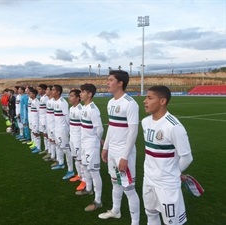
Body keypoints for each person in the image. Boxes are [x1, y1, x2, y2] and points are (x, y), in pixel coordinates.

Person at [141, 85, 193, 225]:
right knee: (150, 213)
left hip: (167, 185)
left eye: (149, 98)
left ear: (162, 101)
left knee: (172, 222)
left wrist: (174, 173)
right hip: (148, 180)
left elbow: (187, 157)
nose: (145, 101)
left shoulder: (174, 126)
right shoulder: (145, 122)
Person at [98, 70, 140, 225]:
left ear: (120, 83)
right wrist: (105, 148)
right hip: (112, 151)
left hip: (124, 152)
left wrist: (124, 156)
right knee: (115, 181)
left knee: (129, 188)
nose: (107, 83)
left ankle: (135, 222)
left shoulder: (129, 103)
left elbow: (133, 131)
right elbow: (111, 127)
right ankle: (116, 211)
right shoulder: (110, 103)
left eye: (110, 80)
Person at [76, 83, 103, 212]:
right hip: (84, 143)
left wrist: (97, 141)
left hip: (91, 145)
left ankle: (98, 201)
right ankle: (89, 189)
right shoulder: (84, 108)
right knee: (85, 167)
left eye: (82, 92)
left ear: (90, 94)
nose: (80, 94)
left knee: (94, 171)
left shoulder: (93, 109)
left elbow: (99, 129)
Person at [51, 85, 74, 180]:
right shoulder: (55, 102)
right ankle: (61, 163)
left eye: (53, 90)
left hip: (62, 130)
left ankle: (71, 170)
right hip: (56, 128)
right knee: (58, 146)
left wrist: (68, 129)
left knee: (66, 149)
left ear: (58, 92)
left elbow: (67, 117)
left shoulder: (62, 102)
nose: (52, 92)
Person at [68, 89, 86, 191]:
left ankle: (84, 180)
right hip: (72, 137)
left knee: (81, 159)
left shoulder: (81, 110)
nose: (69, 98)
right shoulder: (71, 109)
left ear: (78, 98)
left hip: (79, 138)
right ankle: (79, 175)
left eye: (71, 96)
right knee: (75, 157)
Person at [37, 84, 49, 155]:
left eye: (40, 89)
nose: (38, 91)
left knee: (46, 134)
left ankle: (48, 150)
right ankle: (46, 148)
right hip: (41, 118)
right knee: (43, 134)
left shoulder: (46, 98)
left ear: (44, 90)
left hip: (45, 119)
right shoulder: (42, 97)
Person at [28, 87, 40, 153]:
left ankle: (38, 148)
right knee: (33, 132)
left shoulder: (36, 101)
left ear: (34, 94)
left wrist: (38, 121)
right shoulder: (32, 101)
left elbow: (39, 111)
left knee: (36, 133)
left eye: (31, 93)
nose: (29, 94)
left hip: (36, 120)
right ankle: (36, 145)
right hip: (32, 119)